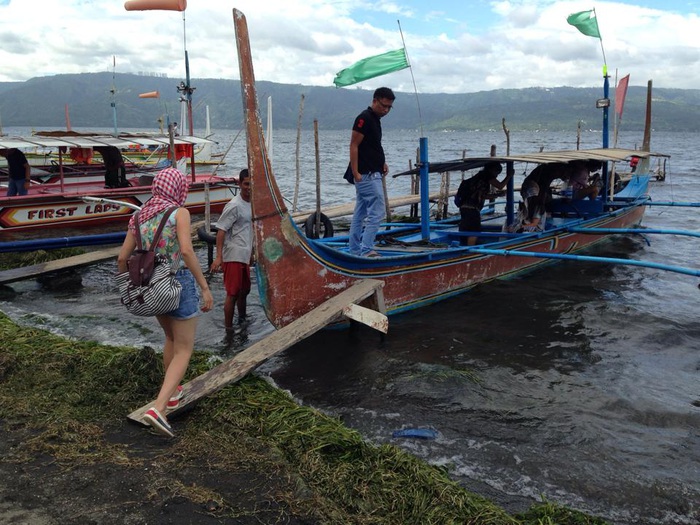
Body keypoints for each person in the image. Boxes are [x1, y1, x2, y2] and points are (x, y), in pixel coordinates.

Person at [117, 167, 213, 437]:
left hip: (150, 285)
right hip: (177, 281)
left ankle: (172, 394)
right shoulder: (178, 213)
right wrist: (204, 287)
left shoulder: (139, 215)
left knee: (170, 339)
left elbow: (123, 258)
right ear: (178, 188)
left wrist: (129, 286)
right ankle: (158, 409)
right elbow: (185, 250)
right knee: (184, 349)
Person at [347, 87, 395, 257]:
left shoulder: (375, 119)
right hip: (365, 174)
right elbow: (354, 145)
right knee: (377, 211)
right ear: (374, 101)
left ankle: (354, 250)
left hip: (372, 170)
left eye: (389, 107)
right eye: (383, 106)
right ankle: (367, 249)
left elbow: (372, 146)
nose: (386, 110)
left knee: (360, 213)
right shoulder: (364, 118)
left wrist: (382, 162)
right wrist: (356, 172)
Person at [210, 169, 253, 331]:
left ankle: (242, 319)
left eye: (251, 184)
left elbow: (251, 229)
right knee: (233, 293)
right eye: (246, 184)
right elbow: (221, 230)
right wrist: (218, 257)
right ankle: (228, 330)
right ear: (240, 184)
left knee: (245, 291)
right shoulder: (234, 205)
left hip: (245, 254)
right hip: (233, 254)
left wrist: (252, 252)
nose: (249, 187)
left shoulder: (253, 203)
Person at [455, 161, 513, 245]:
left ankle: (463, 245)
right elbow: (500, 186)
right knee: (474, 230)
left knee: (465, 227)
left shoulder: (478, 178)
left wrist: (495, 195)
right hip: (472, 209)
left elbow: (481, 195)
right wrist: (509, 176)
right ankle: (470, 249)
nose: (496, 176)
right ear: (492, 170)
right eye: (496, 173)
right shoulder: (487, 176)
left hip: (464, 208)